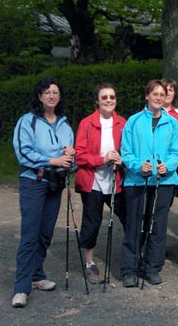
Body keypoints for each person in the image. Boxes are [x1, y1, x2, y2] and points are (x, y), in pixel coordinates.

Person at [11, 77, 75, 308]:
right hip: (33, 182)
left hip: (54, 183)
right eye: (47, 92)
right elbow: (23, 154)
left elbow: (69, 157)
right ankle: (21, 287)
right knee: (30, 233)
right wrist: (53, 159)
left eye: (55, 92)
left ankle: (37, 275)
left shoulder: (65, 125)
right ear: (39, 96)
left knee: (46, 232)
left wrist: (70, 155)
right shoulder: (27, 122)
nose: (51, 96)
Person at [120, 80, 178, 287]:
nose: (158, 97)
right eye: (154, 94)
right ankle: (130, 268)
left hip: (164, 182)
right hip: (137, 181)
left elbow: (177, 152)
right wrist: (138, 166)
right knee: (134, 225)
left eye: (162, 94)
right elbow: (126, 151)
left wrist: (169, 166)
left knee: (158, 226)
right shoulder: (134, 121)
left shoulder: (173, 123)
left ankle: (152, 267)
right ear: (146, 96)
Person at [74, 83, 127, 284]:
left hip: (117, 181)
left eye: (112, 97)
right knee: (92, 222)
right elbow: (79, 155)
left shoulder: (123, 122)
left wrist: (120, 158)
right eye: (104, 97)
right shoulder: (86, 123)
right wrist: (102, 159)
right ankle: (89, 262)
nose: (108, 100)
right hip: (93, 181)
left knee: (129, 217)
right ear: (97, 101)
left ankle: (132, 257)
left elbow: (129, 148)